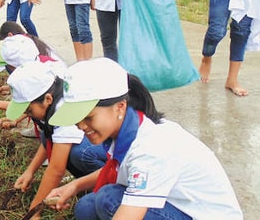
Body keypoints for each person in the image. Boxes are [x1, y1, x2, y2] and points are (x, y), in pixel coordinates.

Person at [45, 58, 243, 219]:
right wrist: (73, 186)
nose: (81, 126)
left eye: (88, 117)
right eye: (77, 119)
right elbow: (120, 168)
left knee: (108, 200)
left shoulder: (152, 149)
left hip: (202, 215)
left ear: (120, 106)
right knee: (87, 207)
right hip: (176, 204)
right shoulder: (129, 130)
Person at [5, 61, 107, 219]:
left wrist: (34, 211)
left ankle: (105, 187)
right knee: (56, 138)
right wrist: (30, 171)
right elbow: (49, 138)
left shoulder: (63, 108)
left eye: (29, 110)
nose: (28, 114)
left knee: (79, 154)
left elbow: (57, 170)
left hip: (109, 151)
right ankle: (88, 183)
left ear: (47, 99)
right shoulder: (53, 102)